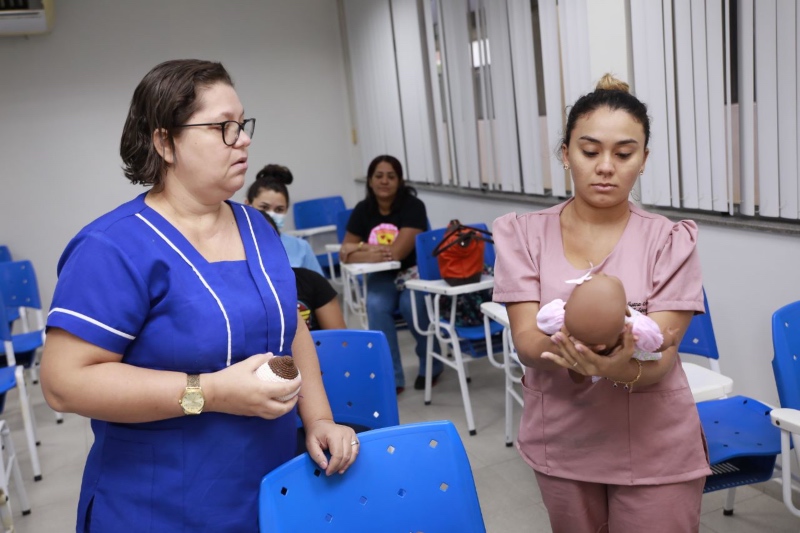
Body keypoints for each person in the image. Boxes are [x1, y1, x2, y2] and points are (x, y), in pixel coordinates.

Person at [39, 59, 358, 532]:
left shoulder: (259, 229)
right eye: (223, 128)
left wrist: (319, 418)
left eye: (243, 124)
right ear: (165, 141)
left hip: (267, 489)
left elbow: (290, 331)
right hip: (158, 505)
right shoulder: (112, 248)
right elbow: (64, 384)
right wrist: (208, 393)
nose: (244, 139)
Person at [492, 74, 710, 532]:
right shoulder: (524, 235)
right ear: (565, 154)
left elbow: (661, 357)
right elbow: (527, 341)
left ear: (644, 160)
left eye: (624, 153)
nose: (606, 166)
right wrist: (573, 349)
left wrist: (612, 367)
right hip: (563, 442)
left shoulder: (670, 241)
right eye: (590, 151)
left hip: (654, 446)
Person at [339, 155, 441, 393]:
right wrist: (367, 250)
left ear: (400, 181)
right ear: (370, 181)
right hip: (381, 275)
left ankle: (432, 365)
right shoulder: (363, 210)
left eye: (391, 176)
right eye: (379, 176)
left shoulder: (413, 206)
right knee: (375, 305)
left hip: (414, 273)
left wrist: (360, 249)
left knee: (411, 307)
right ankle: (392, 375)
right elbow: (344, 252)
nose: (384, 181)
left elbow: (397, 253)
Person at [537, 271, 674, 384]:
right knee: (577, 362)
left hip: (579, 345)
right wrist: (669, 338)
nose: (602, 272)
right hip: (621, 353)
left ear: (566, 306)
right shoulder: (635, 327)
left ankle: (578, 370)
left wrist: (564, 337)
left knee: (575, 363)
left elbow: (542, 322)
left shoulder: (559, 316)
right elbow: (658, 344)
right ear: (626, 311)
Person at [261, 211, 346, 331]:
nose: (262, 247)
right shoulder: (235, 293)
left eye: (270, 238)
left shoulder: (312, 281)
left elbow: (341, 342)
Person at [244, 165, 325, 276]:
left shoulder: (301, 247)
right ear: (248, 205)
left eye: (279, 209)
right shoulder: (236, 245)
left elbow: (321, 289)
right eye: (264, 207)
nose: (271, 215)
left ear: (286, 209)